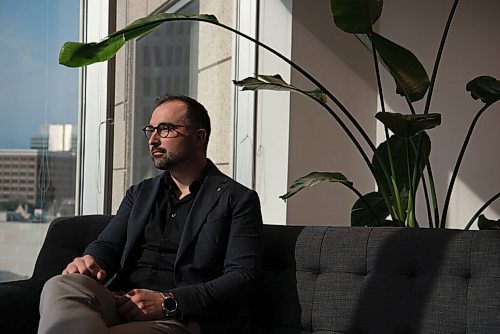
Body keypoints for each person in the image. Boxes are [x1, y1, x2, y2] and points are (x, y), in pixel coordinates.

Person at [38, 94, 263, 334]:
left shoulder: (237, 199)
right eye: (151, 130)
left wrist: (169, 301)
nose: (153, 140)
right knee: (60, 285)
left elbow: (243, 277)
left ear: (199, 137)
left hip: (179, 317)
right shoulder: (140, 193)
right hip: (120, 301)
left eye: (165, 129)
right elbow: (108, 245)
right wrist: (90, 260)